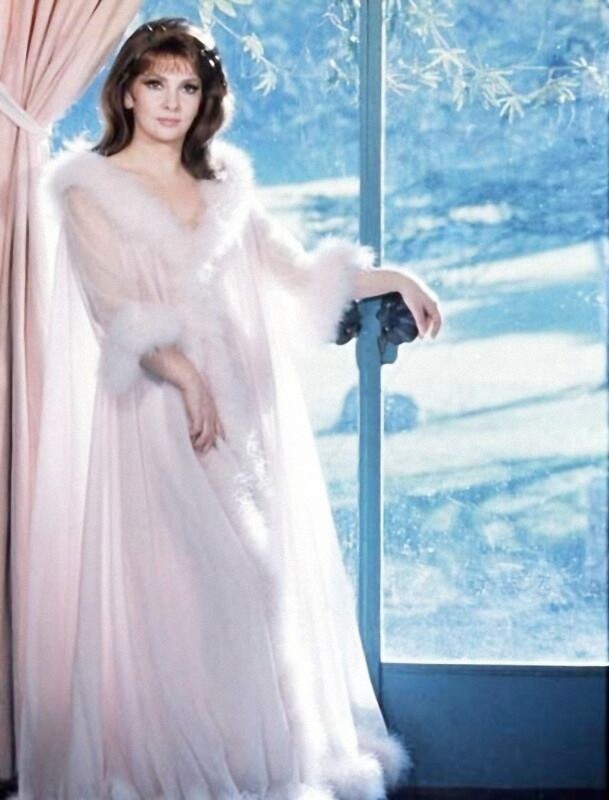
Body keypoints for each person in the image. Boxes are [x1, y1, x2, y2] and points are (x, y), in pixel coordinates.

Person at [19, 16, 443, 800]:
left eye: (187, 86)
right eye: (154, 83)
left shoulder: (224, 185)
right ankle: (178, 769)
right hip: (156, 412)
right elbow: (112, 308)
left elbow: (296, 274)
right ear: (126, 91)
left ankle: (253, 766)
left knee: (251, 591)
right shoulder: (87, 188)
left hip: (239, 415)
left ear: (205, 97)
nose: (170, 101)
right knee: (187, 592)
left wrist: (395, 279)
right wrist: (182, 374)